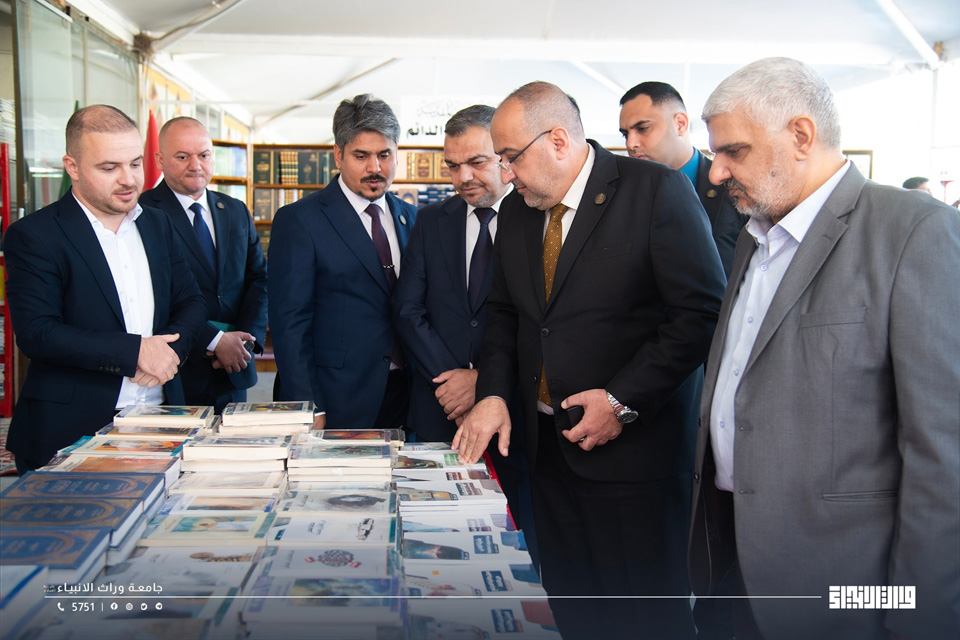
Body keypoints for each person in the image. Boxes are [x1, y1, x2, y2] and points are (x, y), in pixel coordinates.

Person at [688, 57, 960, 640]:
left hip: (843, 582)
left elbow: (944, 453)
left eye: (734, 151)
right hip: (736, 560)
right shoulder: (754, 236)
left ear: (801, 135)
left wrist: (920, 618)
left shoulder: (913, 232)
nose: (717, 172)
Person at [456, 82, 726, 639]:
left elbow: (700, 314)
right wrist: (494, 393)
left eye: (511, 157)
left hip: (635, 464)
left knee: (646, 620)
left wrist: (622, 400)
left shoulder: (655, 191)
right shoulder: (519, 211)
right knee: (573, 609)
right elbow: (506, 315)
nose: (505, 173)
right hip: (549, 458)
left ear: (558, 140)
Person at [2, 105, 206, 472]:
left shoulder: (158, 223)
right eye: (109, 168)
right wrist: (136, 353)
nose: (128, 180)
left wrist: (165, 356)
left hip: (163, 417)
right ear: (73, 167)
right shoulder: (34, 235)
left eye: (135, 163)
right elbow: (38, 333)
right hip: (69, 429)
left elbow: (191, 302)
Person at [393, 104, 537, 567]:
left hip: (514, 411)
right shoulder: (431, 220)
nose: (463, 177)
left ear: (505, 157)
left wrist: (483, 381)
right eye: (452, 165)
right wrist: (452, 381)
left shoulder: (537, 217)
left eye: (476, 162)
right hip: (439, 408)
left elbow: (537, 320)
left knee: (518, 540)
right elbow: (408, 310)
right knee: (440, 543)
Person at [269, 94, 416, 431]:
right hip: (336, 399)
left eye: (384, 155)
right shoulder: (300, 221)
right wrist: (309, 406)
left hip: (407, 396)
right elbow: (289, 325)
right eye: (361, 156)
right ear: (338, 154)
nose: (374, 168)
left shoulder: (412, 217)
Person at [140, 117, 268, 414]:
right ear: (159, 160)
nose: (195, 165)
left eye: (204, 155)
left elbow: (258, 279)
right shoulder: (143, 213)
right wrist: (214, 340)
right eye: (182, 157)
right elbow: (154, 294)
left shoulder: (235, 210)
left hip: (234, 365)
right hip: (175, 369)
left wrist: (245, 341)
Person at [619, 81, 746, 278]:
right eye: (625, 134)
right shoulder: (623, 198)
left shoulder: (734, 188)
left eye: (643, 128)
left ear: (680, 124)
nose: (631, 143)